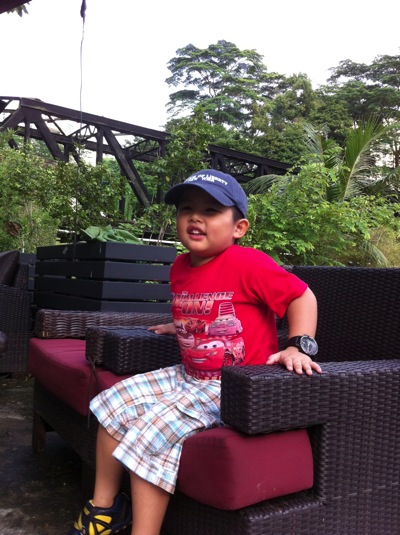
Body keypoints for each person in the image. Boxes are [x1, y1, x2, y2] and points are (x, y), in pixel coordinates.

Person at [69, 169, 321, 535]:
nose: (195, 217)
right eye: (186, 209)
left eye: (211, 210)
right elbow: (206, 305)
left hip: (234, 385)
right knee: (113, 404)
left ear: (239, 227)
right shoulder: (180, 266)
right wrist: (183, 324)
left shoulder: (248, 263)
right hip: (188, 376)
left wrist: (298, 346)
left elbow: (302, 296)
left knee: (151, 431)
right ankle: (105, 509)